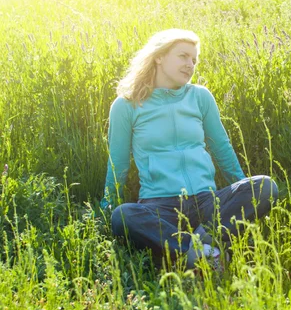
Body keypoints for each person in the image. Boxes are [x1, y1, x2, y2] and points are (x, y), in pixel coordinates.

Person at [101, 28, 278, 268]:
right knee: (123, 215)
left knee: (265, 186)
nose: (190, 64)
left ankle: (198, 248)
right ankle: (201, 251)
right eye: (183, 56)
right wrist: (105, 208)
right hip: (158, 206)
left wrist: (243, 192)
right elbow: (118, 163)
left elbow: (222, 149)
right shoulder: (127, 104)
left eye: (194, 60)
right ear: (159, 56)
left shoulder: (200, 97)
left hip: (207, 202)